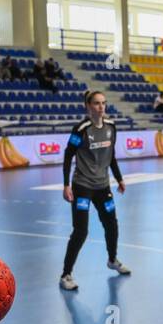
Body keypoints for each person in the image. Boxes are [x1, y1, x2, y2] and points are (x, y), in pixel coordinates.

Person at [60, 90, 130, 291]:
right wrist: (66, 185)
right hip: (82, 187)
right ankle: (66, 275)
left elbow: (111, 155)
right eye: (97, 103)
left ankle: (112, 260)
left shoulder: (111, 126)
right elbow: (67, 157)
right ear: (88, 106)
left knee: (111, 223)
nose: (101, 107)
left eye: (104, 103)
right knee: (81, 231)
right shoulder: (81, 129)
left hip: (103, 187)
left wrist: (119, 178)